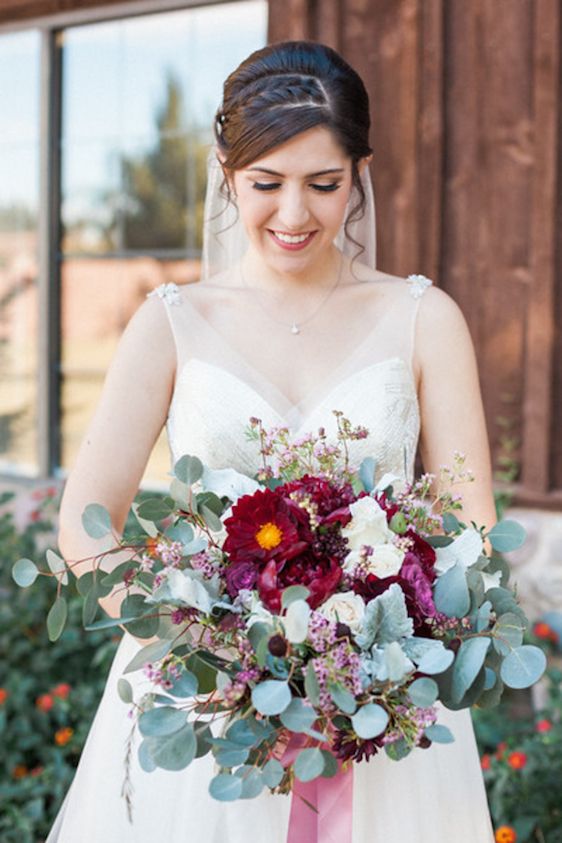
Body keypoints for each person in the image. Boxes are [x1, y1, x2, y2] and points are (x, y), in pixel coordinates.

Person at [47, 40, 496, 842]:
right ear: (225, 171)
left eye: (324, 185)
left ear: (359, 171)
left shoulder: (426, 318)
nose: (295, 215)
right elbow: (86, 527)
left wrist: (371, 653)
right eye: (266, 184)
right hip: (205, 704)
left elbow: (474, 533)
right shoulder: (171, 323)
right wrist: (213, 651)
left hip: (381, 714)